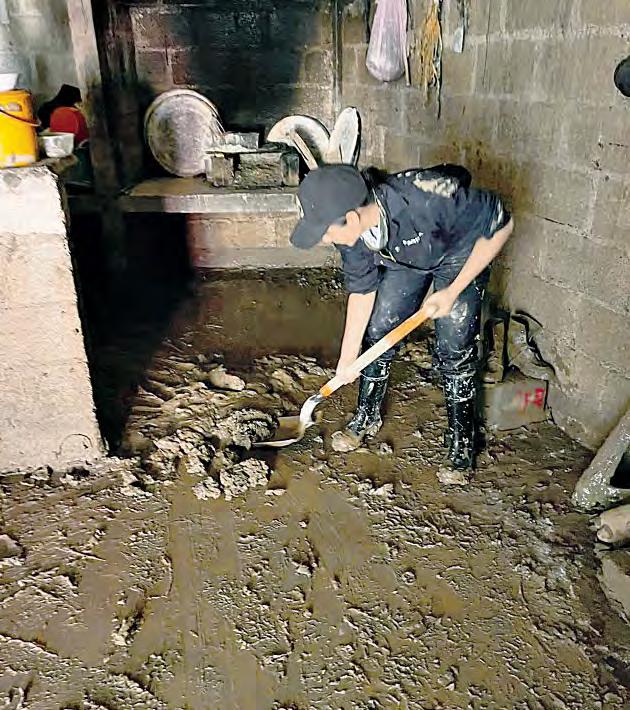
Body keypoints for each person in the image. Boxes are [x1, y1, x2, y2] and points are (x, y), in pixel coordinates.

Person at [289, 163, 514, 478]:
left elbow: (501, 223)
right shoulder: (351, 234)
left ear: (351, 218)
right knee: (380, 327)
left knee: (455, 345)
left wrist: (453, 291)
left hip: (457, 254)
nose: (326, 239)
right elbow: (362, 289)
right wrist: (347, 358)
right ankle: (367, 416)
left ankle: (462, 442)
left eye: (326, 232)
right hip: (405, 258)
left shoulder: (428, 198)